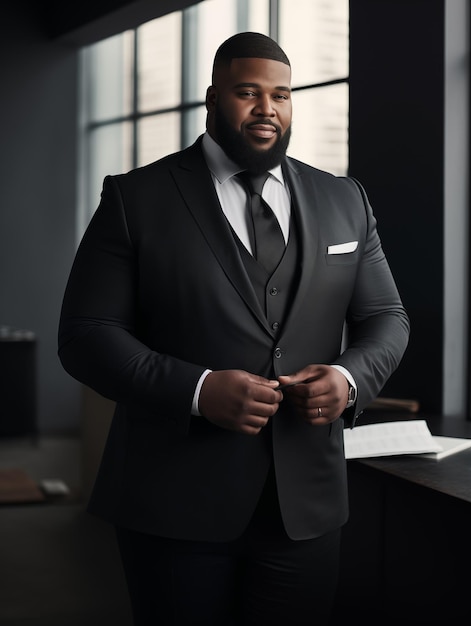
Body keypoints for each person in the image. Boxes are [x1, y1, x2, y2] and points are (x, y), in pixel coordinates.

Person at [58, 32, 409, 626]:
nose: (267, 108)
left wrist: (350, 378)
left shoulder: (345, 199)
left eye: (281, 95)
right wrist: (196, 391)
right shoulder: (135, 198)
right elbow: (86, 334)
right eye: (248, 92)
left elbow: (386, 319)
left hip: (306, 507)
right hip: (171, 502)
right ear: (213, 98)